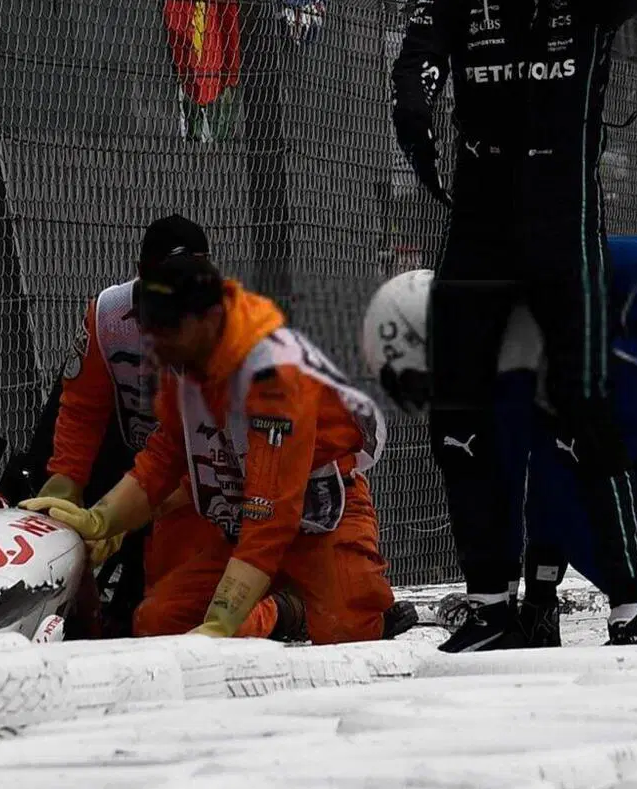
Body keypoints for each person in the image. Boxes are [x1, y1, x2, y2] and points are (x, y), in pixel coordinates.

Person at [390, 0, 637, 650]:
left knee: (584, 413)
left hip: (564, 223)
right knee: (458, 417)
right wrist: (417, 100)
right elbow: (416, 56)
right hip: (476, 225)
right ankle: (492, 603)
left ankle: (631, 604)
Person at [361, 237, 637, 644]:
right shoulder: (499, 297)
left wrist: (530, 599)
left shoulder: (500, 334)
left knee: (575, 480)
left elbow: (515, 485)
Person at [24, 253, 395, 643]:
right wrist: (102, 519)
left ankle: (296, 608)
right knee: (159, 623)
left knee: (347, 632)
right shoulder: (185, 361)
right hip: (238, 515)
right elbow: (165, 454)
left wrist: (222, 619)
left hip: (317, 519)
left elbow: (270, 516)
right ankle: (282, 607)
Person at [24, 216, 215, 634]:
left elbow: (212, 458)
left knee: (152, 612)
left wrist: (123, 516)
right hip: (139, 446)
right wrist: (65, 486)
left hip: (202, 473)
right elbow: (80, 409)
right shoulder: (108, 314)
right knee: (47, 493)